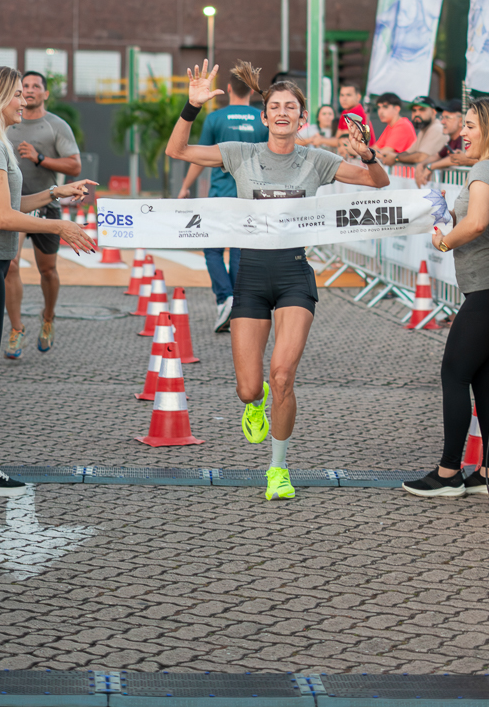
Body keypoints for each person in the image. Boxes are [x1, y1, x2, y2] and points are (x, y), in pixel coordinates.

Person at [166, 60, 389, 501]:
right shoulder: (241, 153)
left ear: (302, 119)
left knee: (283, 375)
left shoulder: (317, 160)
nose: (283, 112)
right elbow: (179, 151)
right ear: (264, 117)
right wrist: (191, 107)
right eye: (275, 107)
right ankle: (255, 401)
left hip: (293, 276)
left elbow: (376, 183)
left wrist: (368, 154)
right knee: (249, 388)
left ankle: (278, 468)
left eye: (291, 107)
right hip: (249, 276)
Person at [0, 66, 95, 496]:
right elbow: (3, 217)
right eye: (15, 94)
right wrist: (59, 226)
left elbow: (11, 203)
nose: (23, 100)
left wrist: (55, 194)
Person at [403, 98, 489, 498]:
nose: (463, 132)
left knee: (454, 373)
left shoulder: (485, 169)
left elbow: (477, 223)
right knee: (484, 378)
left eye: (471, 126)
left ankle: (448, 474)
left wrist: (444, 241)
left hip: (487, 288)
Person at [176, 68, 268, 333]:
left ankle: (224, 299)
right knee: (239, 250)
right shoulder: (262, 119)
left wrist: (185, 187)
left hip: (219, 195)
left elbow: (198, 157)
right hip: (249, 197)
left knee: (213, 251)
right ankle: (235, 303)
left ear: (228, 89)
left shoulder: (215, 118)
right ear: (251, 90)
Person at [3, 71, 82, 359]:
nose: (30, 90)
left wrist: (40, 158)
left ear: (45, 94)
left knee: (47, 270)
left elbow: (75, 166)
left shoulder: (56, 126)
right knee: (11, 265)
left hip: (47, 204)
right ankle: (16, 329)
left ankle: (48, 317)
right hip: (14, 205)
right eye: (25, 86)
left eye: (36, 86)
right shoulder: (7, 122)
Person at [415, 101, 467, 185]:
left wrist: (431, 167)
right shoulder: (451, 140)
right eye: (442, 117)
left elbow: (456, 158)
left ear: (461, 121)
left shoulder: (465, 139)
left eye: (447, 118)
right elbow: (438, 155)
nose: (442, 122)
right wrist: (421, 164)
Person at [373, 94, 418, 166]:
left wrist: (363, 151)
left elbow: (384, 154)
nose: (380, 111)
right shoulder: (390, 126)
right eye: (379, 107)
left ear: (397, 109)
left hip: (405, 171)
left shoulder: (402, 125)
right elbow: (375, 148)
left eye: (385, 107)